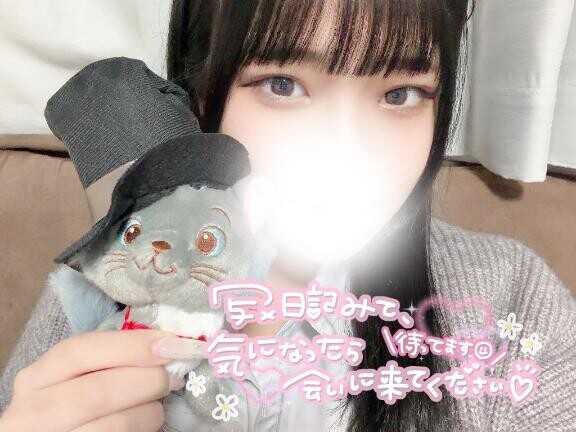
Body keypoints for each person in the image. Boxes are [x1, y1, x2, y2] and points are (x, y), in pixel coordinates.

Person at [1, 0, 575, 431]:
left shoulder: (511, 301)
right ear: (200, 91)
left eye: (401, 94)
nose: (348, 154)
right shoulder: (104, 284)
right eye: (284, 85)